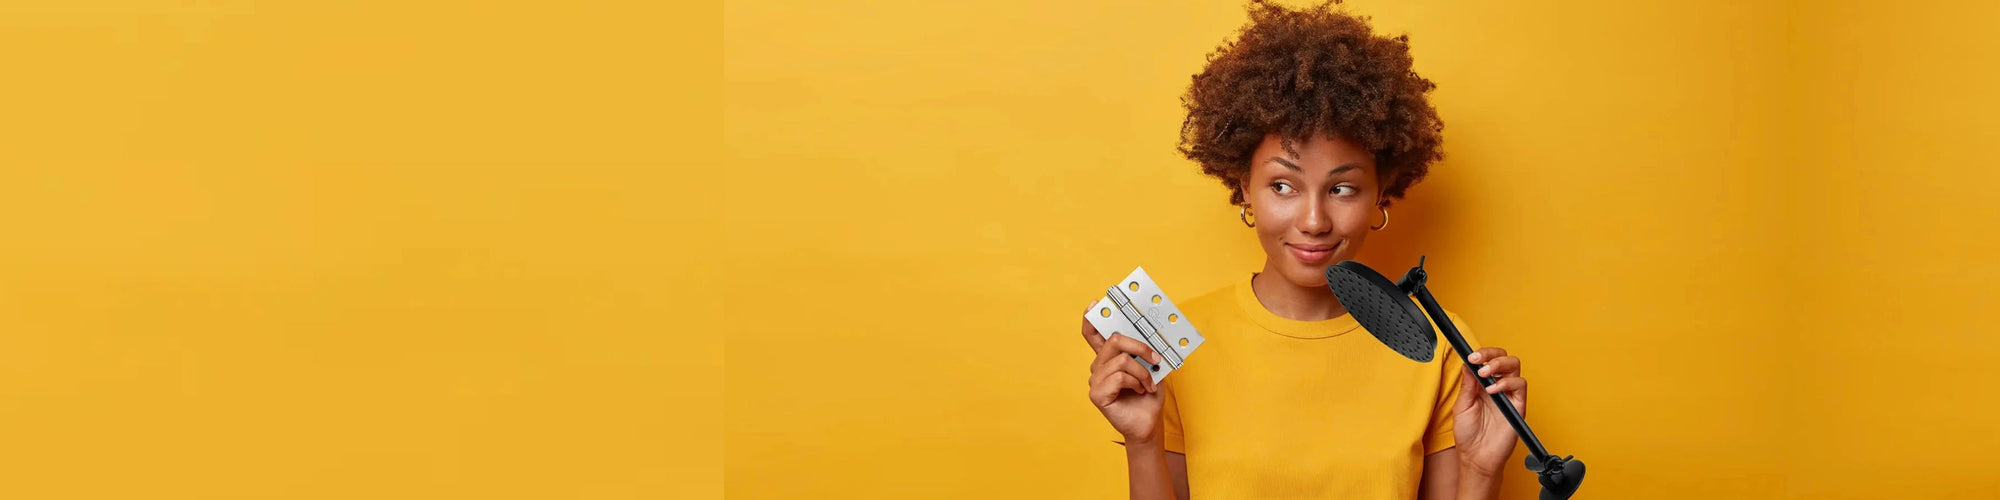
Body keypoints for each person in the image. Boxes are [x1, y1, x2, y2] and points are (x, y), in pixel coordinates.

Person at [1079, 2, 1528, 499]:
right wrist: (1143, 441)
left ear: (1381, 191)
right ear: (1244, 186)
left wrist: (1483, 471)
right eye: (1283, 186)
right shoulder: (1173, 346)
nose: (1313, 222)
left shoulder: (1435, 342)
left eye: (1342, 189)